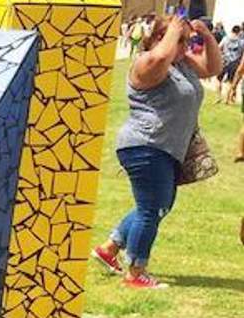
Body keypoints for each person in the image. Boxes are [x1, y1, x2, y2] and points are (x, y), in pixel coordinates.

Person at [91, 15, 222, 289]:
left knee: (156, 206)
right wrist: (173, 32)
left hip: (165, 148)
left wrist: (206, 36)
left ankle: (109, 248)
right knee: (152, 208)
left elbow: (213, 68)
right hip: (145, 145)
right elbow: (160, 59)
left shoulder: (182, 64)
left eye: (188, 41)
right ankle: (136, 272)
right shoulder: (147, 62)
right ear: (160, 39)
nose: (185, 46)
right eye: (180, 40)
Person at [216, 25, 243, 103]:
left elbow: (219, 48)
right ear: (239, 32)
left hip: (224, 61)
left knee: (218, 79)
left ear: (232, 30)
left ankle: (219, 96)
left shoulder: (225, 39)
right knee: (230, 82)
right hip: (234, 63)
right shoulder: (241, 42)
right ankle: (227, 99)